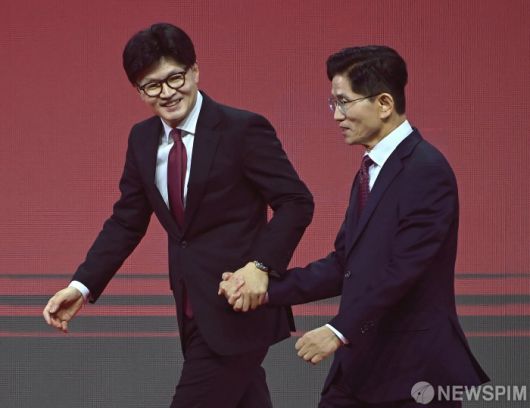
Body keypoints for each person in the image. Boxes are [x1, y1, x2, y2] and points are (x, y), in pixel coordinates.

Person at [42, 22, 314, 408]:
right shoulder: (142, 139)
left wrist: (261, 266)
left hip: (239, 306)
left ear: (195, 71)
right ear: (139, 91)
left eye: (175, 78)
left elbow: (296, 201)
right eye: (152, 85)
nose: (167, 93)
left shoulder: (241, 129)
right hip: (191, 310)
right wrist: (81, 286)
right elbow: (126, 221)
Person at [221, 45, 489, 407]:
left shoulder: (426, 170)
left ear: (384, 103)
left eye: (344, 102)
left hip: (414, 373)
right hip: (361, 368)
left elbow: (403, 271)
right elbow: (344, 264)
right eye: (333, 103)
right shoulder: (371, 169)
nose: (336, 115)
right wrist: (265, 289)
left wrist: (338, 330)